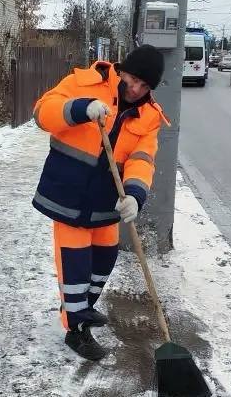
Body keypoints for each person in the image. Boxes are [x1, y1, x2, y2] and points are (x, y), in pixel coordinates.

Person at [31, 44, 167, 361]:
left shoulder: (149, 117)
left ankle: (84, 310)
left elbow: (142, 158)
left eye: (145, 86)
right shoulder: (85, 83)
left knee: (103, 261)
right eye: (133, 79)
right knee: (75, 264)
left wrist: (135, 194)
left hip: (106, 202)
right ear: (122, 69)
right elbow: (42, 112)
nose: (136, 89)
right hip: (68, 193)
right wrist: (79, 109)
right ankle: (76, 328)